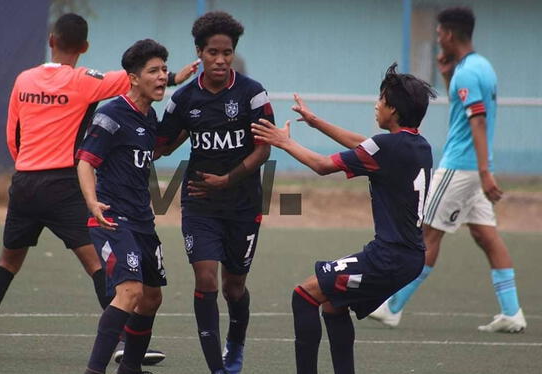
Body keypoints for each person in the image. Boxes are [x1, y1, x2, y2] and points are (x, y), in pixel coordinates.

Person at [0, 13, 197, 361]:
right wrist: (174, 78)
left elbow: (14, 133)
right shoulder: (84, 80)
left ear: (51, 40)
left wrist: (24, 164)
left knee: (8, 261)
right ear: (84, 47)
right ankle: (120, 343)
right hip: (65, 183)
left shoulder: (24, 79)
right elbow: (126, 84)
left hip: (24, 180)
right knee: (99, 264)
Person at [252, 63, 436, 374]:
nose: (376, 104)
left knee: (303, 296)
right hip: (408, 257)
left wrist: (284, 142)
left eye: (381, 99)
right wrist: (316, 122)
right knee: (333, 304)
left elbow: (323, 165)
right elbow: (364, 144)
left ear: (394, 109)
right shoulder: (418, 145)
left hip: (389, 258)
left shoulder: (387, 146)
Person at [368, 7, 526, 333]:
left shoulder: (468, 73)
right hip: (475, 166)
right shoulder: (480, 67)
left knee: (427, 233)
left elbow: (477, 120)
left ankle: (392, 307)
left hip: (460, 166)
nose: (437, 38)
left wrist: (483, 170)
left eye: (439, 33)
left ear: (450, 34)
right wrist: (445, 76)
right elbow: (469, 110)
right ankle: (512, 312)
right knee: (485, 234)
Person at [155, 11, 274, 374]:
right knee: (205, 277)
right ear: (199, 53)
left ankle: (234, 346)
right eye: (212, 53)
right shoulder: (184, 99)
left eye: (226, 53)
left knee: (233, 288)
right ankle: (217, 368)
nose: (220, 60)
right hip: (200, 204)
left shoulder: (253, 95)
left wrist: (229, 179)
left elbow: (264, 148)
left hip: (243, 204)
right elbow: (163, 143)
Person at [77, 38, 169, 374]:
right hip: (113, 219)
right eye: (153, 71)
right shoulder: (111, 114)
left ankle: (130, 368)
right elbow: (86, 162)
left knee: (152, 299)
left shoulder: (150, 117)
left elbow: (157, 150)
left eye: (164, 70)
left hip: (143, 221)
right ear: (132, 78)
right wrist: (93, 203)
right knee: (129, 292)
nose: (162, 77)